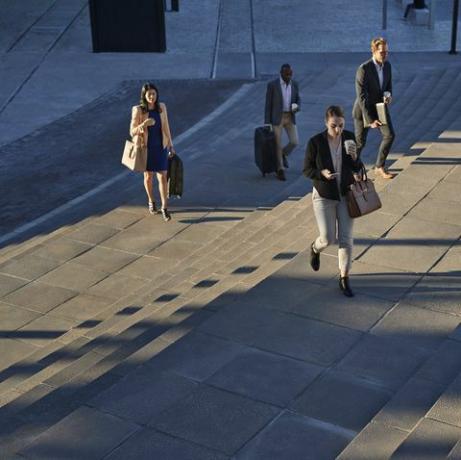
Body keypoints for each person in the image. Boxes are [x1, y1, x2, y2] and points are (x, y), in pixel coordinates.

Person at [303, 106, 363, 297]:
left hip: (346, 194)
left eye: (341, 125)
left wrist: (354, 157)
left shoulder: (349, 137)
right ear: (326, 123)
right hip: (324, 196)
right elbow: (307, 169)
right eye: (333, 126)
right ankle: (315, 247)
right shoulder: (316, 142)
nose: (338, 130)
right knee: (328, 238)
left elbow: (357, 166)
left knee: (346, 238)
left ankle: (344, 278)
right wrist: (322, 173)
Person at [130, 82, 175, 221]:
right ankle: (151, 201)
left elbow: (166, 126)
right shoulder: (138, 110)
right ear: (144, 95)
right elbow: (132, 131)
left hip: (160, 146)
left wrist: (171, 145)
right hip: (146, 148)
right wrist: (144, 124)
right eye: (149, 94)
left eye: (154, 94)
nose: (152, 96)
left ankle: (165, 208)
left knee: (162, 176)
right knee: (148, 177)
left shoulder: (162, 107)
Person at [352, 37, 395, 179]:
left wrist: (388, 95)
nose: (385, 55)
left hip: (380, 107)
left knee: (389, 135)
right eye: (382, 52)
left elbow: (388, 86)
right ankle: (352, 170)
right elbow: (361, 97)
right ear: (374, 51)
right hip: (364, 110)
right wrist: (370, 120)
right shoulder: (364, 69)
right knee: (360, 143)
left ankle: (379, 166)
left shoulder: (387, 66)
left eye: (386, 52)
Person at [264, 63, 300, 181]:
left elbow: (298, 98)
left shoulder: (294, 84)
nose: (289, 76)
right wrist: (267, 122)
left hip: (289, 116)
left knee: (294, 141)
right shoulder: (273, 85)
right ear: (281, 73)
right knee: (277, 144)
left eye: (290, 74)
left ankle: (283, 154)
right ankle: (280, 169)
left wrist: (297, 106)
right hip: (277, 118)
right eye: (286, 74)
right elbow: (268, 104)